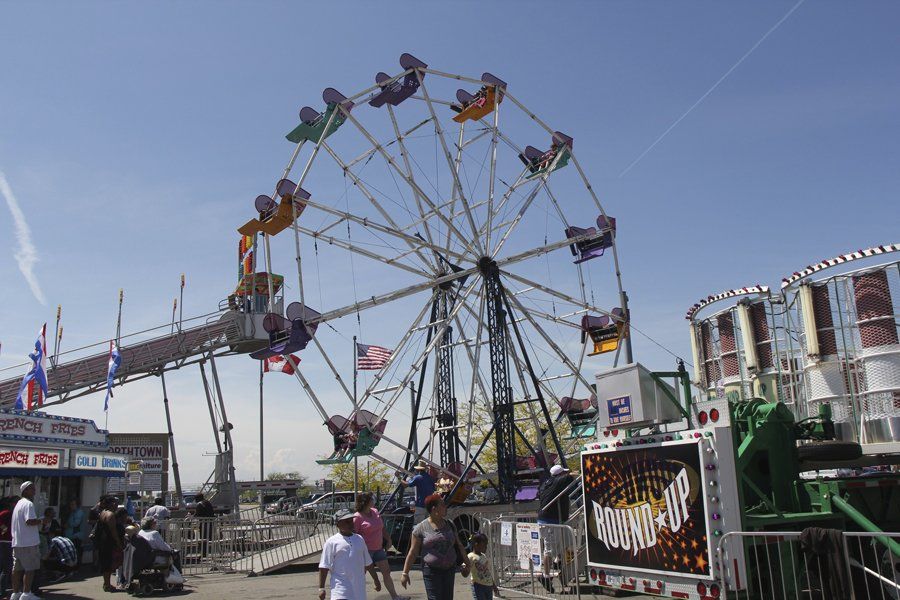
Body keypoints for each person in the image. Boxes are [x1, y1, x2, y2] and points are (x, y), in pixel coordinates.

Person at [400, 494, 471, 600]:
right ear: (434, 509)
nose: (445, 507)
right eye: (442, 505)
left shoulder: (450, 524)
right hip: (431, 572)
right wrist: (405, 573)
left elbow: (459, 545)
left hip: (449, 570)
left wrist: (468, 564)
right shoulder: (420, 528)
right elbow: (413, 552)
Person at [353, 492, 408, 600]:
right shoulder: (357, 517)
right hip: (365, 551)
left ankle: (395, 596)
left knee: (386, 572)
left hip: (378, 549)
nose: (374, 500)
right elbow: (354, 535)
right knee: (360, 575)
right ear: (366, 502)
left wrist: (388, 539)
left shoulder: (375, 512)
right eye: (371, 499)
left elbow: (381, 528)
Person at [318, 509, 376, 600]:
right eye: (346, 522)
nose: (350, 524)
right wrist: (321, 588)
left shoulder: (359, 539)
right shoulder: (331, 542)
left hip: (358, 590)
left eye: (351, 521)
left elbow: (368, 562)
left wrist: (376, 580)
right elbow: (324, 566)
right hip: (340, 589)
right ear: (338, 524)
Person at [537, 465, 576, 589]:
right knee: (549, 550)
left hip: (553, 520)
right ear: (559, 475)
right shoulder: (559, 481)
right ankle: (546, 576)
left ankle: (558, 563)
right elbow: (573, 475)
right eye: (563, 473)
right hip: (551, 521)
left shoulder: (546, 483)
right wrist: (572, 472)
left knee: (567, 543)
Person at [11, 481, 43, 600]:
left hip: (17, 543)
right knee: (30, 569)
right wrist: (41, 521)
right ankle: (26, 593)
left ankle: (15, 593)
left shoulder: (18, 504)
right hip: (28, 543)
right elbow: (29, 521)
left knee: (17, 569)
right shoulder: (28, 504)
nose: (34, 491)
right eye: (32, 489)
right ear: (25, 491)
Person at [96, 503, 126, 592]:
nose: (115, 504)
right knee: (109, 564)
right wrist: (118, 543)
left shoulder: (103, 513)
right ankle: (107, 584)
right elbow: (113, 531)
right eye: (113, 502)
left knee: (106, 565)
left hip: (103, 543)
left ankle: (106, 584)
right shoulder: (111, 515)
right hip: (109, 543)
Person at [467, 533, 499, 600]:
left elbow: (488, 573)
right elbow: (465, 569)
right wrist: (464, 569)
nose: (486, 547)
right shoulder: (470, 556)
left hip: (488, 586)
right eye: (484, 545)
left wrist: (494, 586)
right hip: (478, 586)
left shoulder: (483, 556)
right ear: (476, 544)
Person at [1, 496, 18, 598]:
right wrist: (5, 531)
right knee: (6, 568)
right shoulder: (6, 513)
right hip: (5, 542)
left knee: (7, 567)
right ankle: (2, 591)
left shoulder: (12, 513)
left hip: (9, 541)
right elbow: (1, 524)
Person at [63, 499, 85, 567]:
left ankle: (76, 567)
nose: (71, 506)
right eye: (70, 504)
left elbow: (76, 523)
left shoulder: (79, 512)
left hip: (76, 536)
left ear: (77, 505)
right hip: (70, 535)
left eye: (73, 504)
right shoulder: (72, 512)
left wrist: (67, 525)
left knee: (76, 552)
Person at [193, 493, 215, 557]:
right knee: (207, 538)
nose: (195, 501)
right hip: (210, 523)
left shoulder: (199, 504)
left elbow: (196, 515)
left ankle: (204, 553)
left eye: (195, 499)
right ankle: (205, 553)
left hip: (204, 524)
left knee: (203, 539)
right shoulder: (208, 502)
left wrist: (190, 516)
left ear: (198, 498)